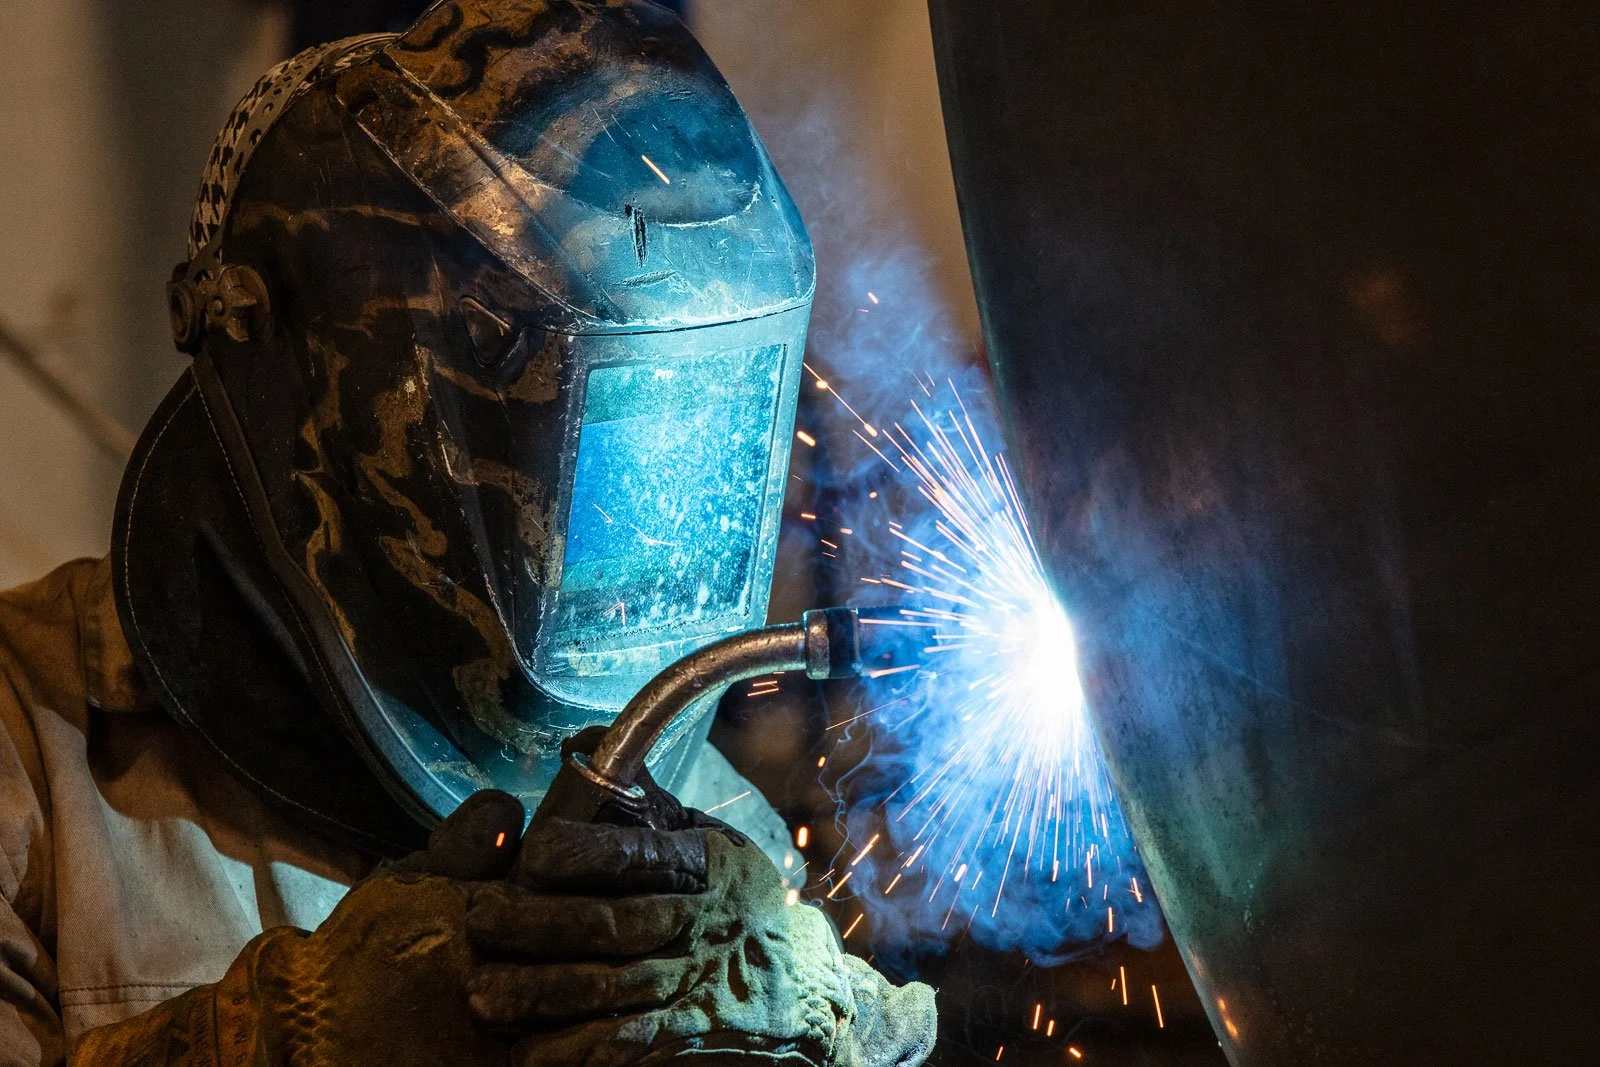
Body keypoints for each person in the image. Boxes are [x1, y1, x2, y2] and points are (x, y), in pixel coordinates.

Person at [0, 2, 936, 1063]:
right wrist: (280, 1034)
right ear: (331, 395)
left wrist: (833, 1029)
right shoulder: (33, 754)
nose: (631, 557)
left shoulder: (711, 860)